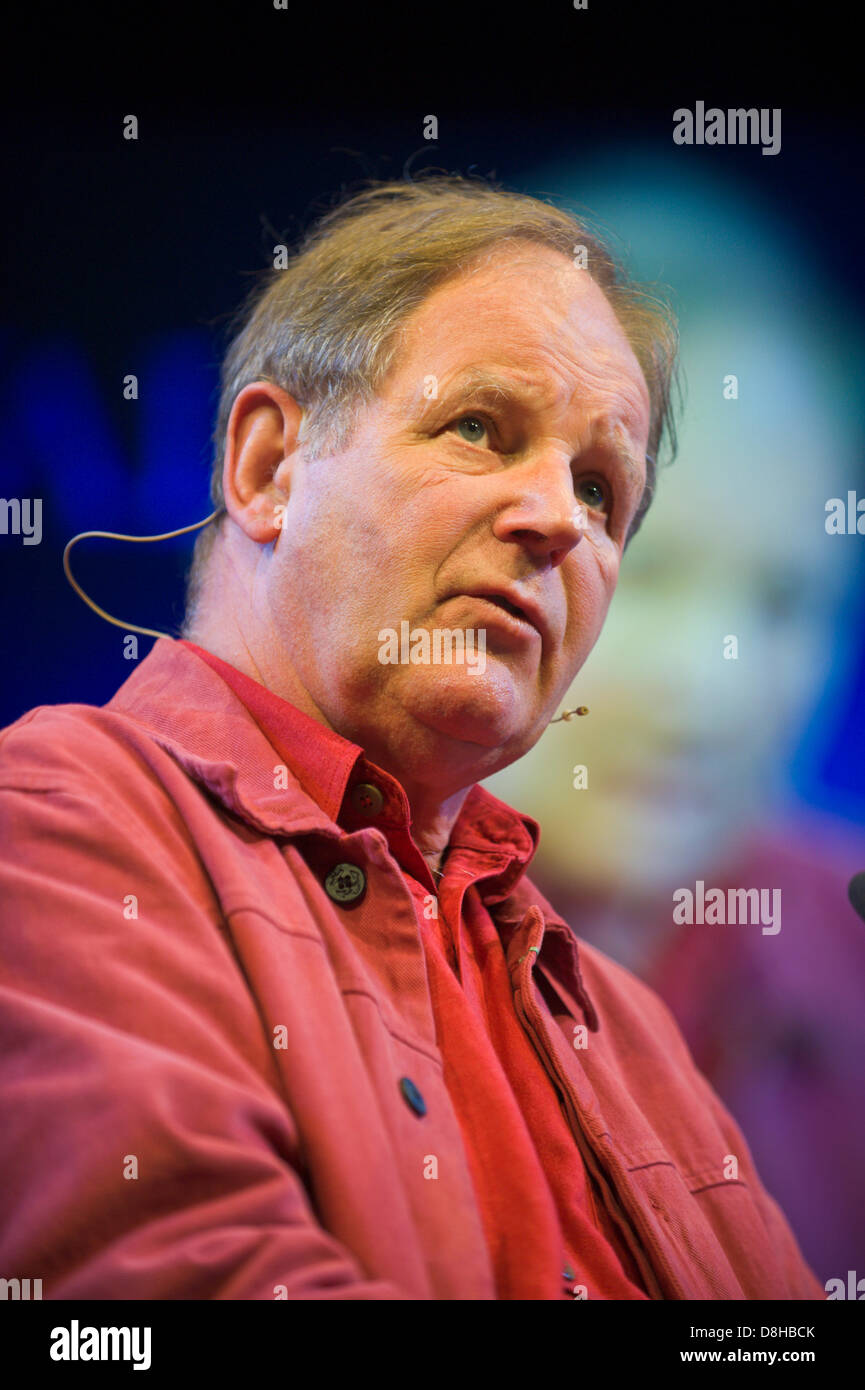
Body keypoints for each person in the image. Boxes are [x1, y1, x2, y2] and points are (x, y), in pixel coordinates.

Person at [0, 176, 822, 1300]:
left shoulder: (623, 1023)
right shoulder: (56, 825)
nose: (553, 521)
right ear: (268, 469)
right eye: (480, 428)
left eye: (598, 488)